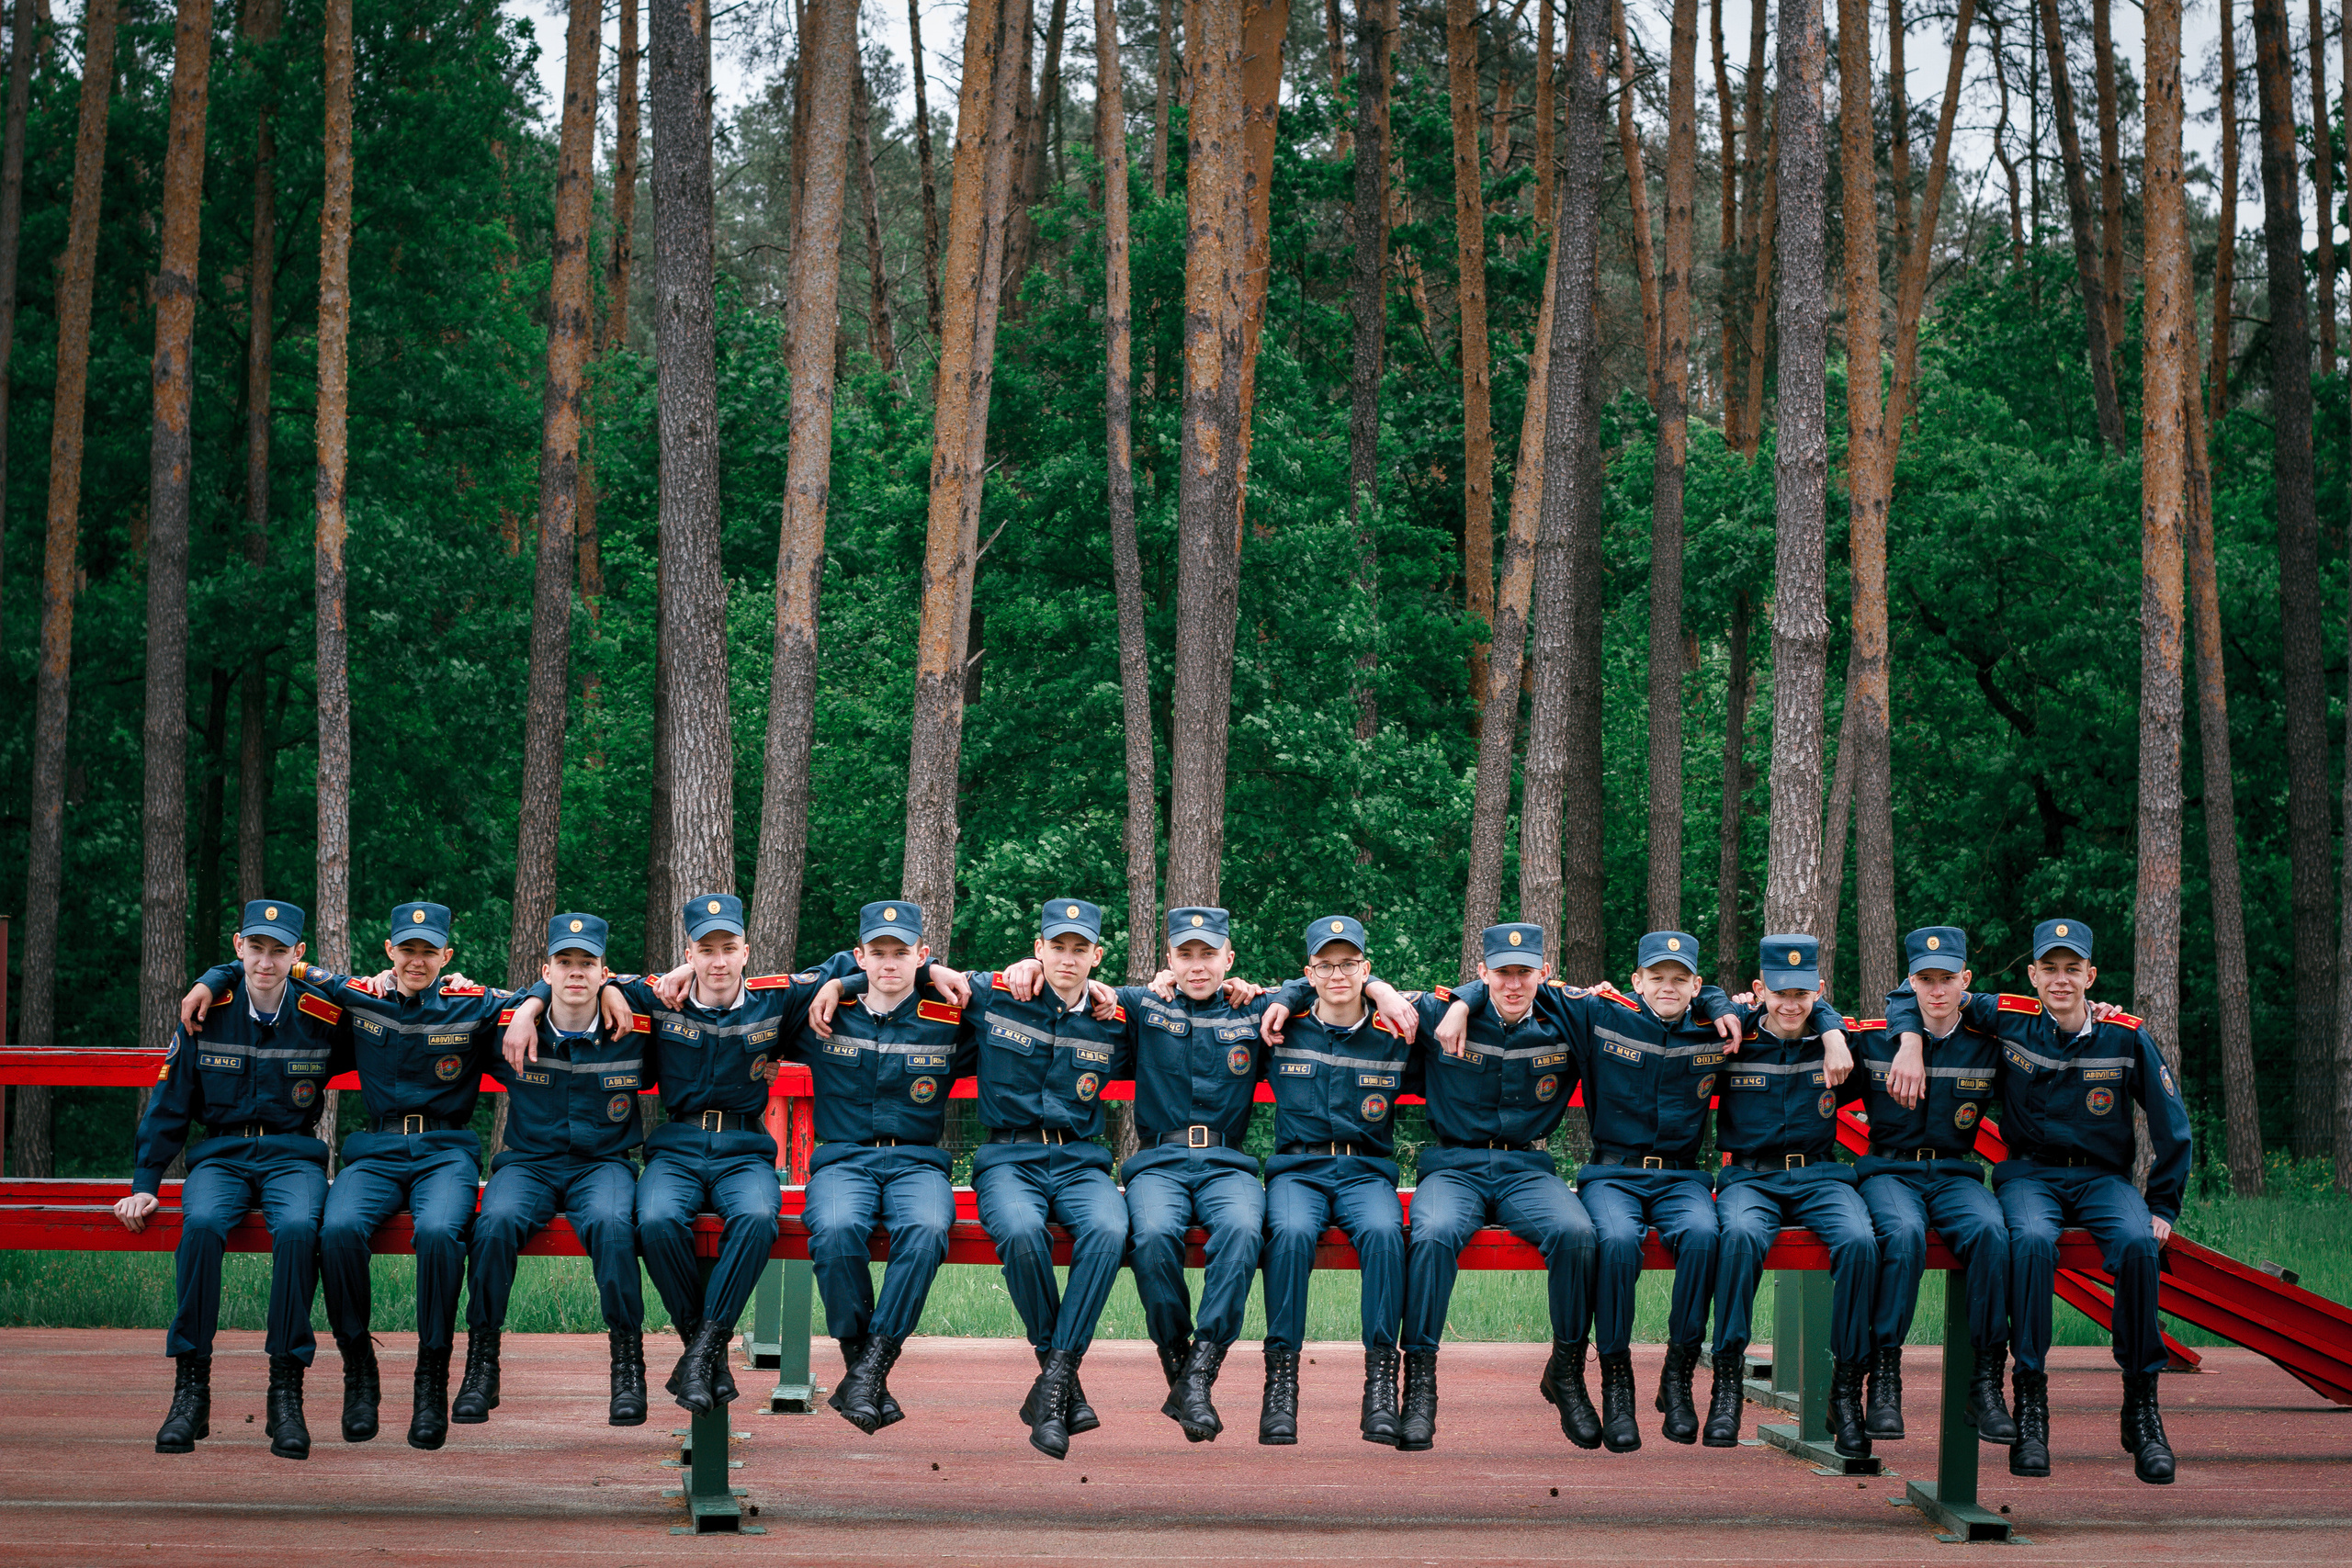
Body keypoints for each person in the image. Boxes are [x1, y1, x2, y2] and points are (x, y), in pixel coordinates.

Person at [181, 900, 560, 1450]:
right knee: (336, 1230)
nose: (417, 961)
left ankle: (430, 1380)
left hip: (444, 1150)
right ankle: (359, 1364)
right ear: (390, 951)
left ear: (445, 956)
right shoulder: (360, 996)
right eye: (407, 949)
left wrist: (529, 1008)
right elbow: (283, 966)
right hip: (376, 1149)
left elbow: (544, 990)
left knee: (436, 1235)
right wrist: (210, 978)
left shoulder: (469, 1004)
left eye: (429, 952)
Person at [501, 894, 889, 1416]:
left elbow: (870, 965)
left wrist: (842, 981)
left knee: (756, 1217)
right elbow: (578, 979)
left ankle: (702, 1351)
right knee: (657, 1219)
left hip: (743, 1150)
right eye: (706, 951)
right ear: (690, 954)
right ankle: (705, 1353)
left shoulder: (776, 1002)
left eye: (729, 948)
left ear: (746, 951)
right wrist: (533, 1004)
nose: (719, 962)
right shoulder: (659, 998)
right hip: (677, 1148)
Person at [1881, 918, 2191, 1485]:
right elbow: (1920, 990)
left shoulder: (2126, 1036)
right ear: (2033, 975)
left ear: (2090, 975)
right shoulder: (2008, 1016)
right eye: (2050, 968)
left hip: (2103, 1180)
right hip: (2029, 1177)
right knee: (2028, 1243)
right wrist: (1906, 1040)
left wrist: (2163, 1207)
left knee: (2139, 1247)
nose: (2061, 980)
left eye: (2073, 969)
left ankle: (2142, 1409)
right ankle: (2031, 1410)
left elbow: (2173, 1127)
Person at [1434, 929, 1747, 1452]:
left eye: (1681, 979)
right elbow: (1524, 986)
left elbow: (1792, 1012)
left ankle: (1677, 1376)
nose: (1667, 987)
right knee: (1617, 1242)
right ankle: (1617, 1387)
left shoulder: (1715, 1027)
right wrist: (1464, 1001)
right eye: (1656, 977)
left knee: (1703, 1235)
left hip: (1682, 1177)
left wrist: (1716, 999)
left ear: (1695, 986)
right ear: (1635, 980)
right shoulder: (1602, 1013)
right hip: (1613, 1173)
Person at [119, 899, 349, 1461]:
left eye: (278, 950)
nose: (264, 962)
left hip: (292, 1157)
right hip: (220, 1157)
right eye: (255, 948)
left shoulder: (322, 1015)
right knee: (199, 1224)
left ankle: (285, 1393)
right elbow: (170, 1104)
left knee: (299, 1229)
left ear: (299, 954)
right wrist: (145, 1180)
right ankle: (190, 1392)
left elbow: (388, 1013)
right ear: (237, 945)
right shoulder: (206, 1012)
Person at [922, 898, 1135, 1460]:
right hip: (1008, 1159)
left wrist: (1378, 991)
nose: (1068, 958)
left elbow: (1185, 994)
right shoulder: (995, 994)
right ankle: (1063, 1381)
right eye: (1057, 946)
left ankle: (1053, 1382)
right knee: (1019, 1232)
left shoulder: (1115, 1016)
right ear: (1038, 948)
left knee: (1110, 1231)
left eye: (1080, 948)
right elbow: (904, 970)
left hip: (1080, 1161)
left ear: (1097, 956)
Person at [789, 901, 977, 1433]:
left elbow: (1008, 1000)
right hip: (844, 1160)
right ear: (859, 957)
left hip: (918, 1163)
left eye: (903, 953)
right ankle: (862, 1366)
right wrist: (838, 983)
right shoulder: (824, 1013)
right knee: (834, 1228)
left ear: (921, 954)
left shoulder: (947, 1018)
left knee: (925, 1230)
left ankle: (872, 1368)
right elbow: (752, 988)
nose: (890, 964)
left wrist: (938, 968)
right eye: (878, 953)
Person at [458, 912, 650, 1428]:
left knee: (613, 1227)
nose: (575, 973)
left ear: (604, 971)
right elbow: (463, 996)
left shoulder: (631, 1028)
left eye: (587, 963)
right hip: (529, 1165)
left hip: (602, 1165)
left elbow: (680, 983)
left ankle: (628, 1366)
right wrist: (527, 1007)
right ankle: (481, 1363)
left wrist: (616, 990)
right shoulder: (512, 1024)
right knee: (494, 1225)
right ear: (546, 970)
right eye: (564, 962)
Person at [1252, 916, 1422, 1447]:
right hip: (1297, 1172)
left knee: (1383, 1234)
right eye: (1325, 965)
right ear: (1310, 972)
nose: (1338, 974)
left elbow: (1472, 997)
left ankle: (1379, 1388)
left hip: (1364, 1172)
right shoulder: (1283, 1023)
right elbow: (1224, 991)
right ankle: (1280, 1386)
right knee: (1290, 1235)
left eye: (1349, 964)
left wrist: (1384, 991)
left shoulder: (1396, 1029)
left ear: (1366, 969)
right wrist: (1289, 992)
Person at [1847, 926, 2017, 1448]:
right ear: (1911, 982)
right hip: (1890, 1171)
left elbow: (2051, 1024)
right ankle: (1885, 1380)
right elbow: (1815, 1049)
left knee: (1992, 1231)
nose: (1937, 991)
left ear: (1966, 980)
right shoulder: (1876, 1038)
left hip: (1954, 1173)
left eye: (1948, 979)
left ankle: (1986, 1383)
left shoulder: (1988, 1045)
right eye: (1925, 979)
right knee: (1902, 1234)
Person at [1706, 934, 1874, 1458]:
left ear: (1819, 991)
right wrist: (1718, 1001)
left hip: (1819, 1177)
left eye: (1804, 993)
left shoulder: (1837, 1042)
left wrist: (1831, 1030)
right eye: (1779, 992)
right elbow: (1687, 999)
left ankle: (1845, 1390)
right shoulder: (1735, 1038)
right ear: (1759, 990)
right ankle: (1727, 1384)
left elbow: (1905, 1023)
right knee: (1737, 1238)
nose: (1791, 1003)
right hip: (1751, 1179)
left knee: (1860, 1242)